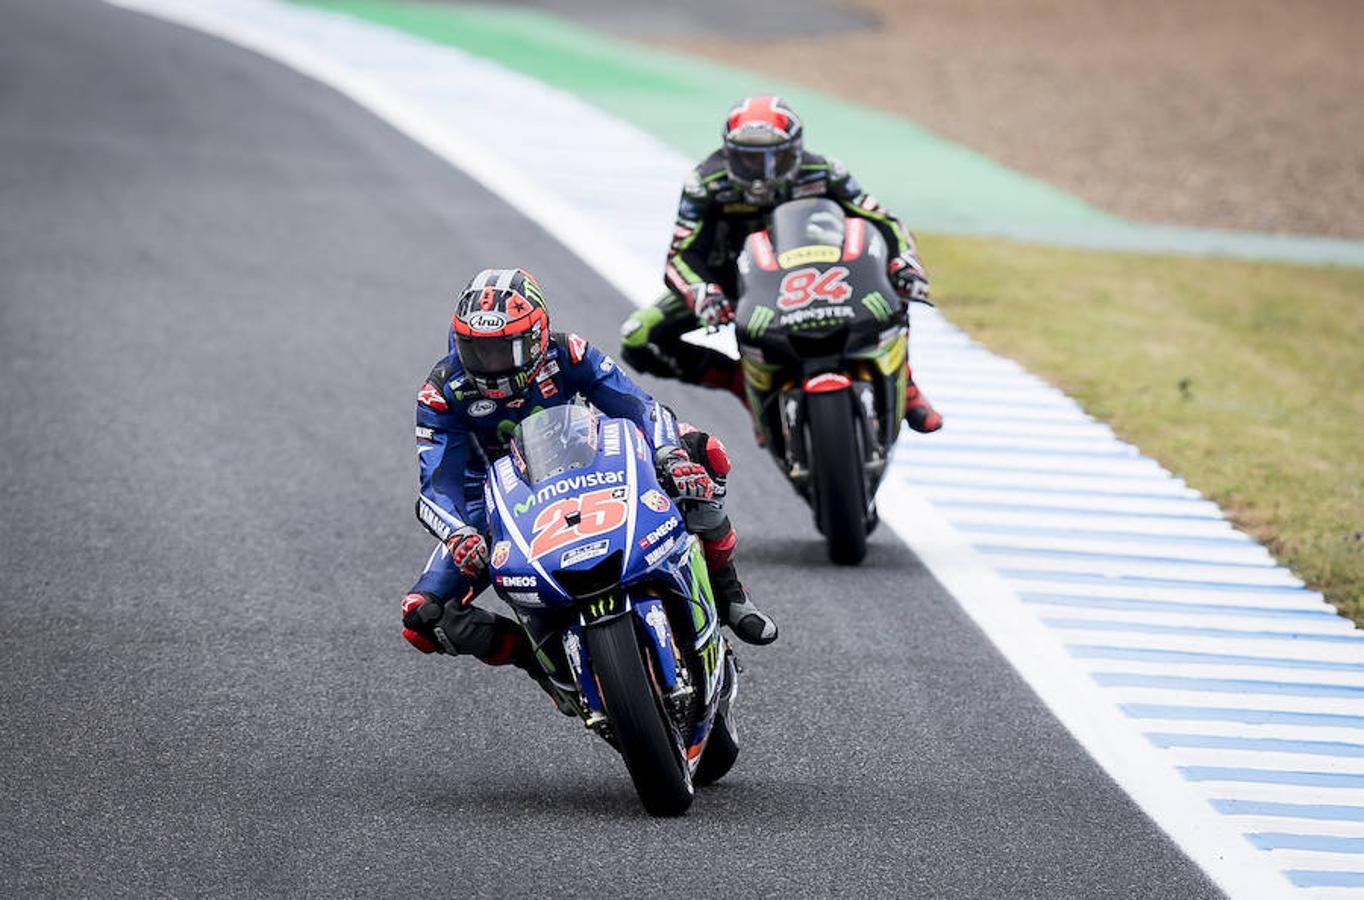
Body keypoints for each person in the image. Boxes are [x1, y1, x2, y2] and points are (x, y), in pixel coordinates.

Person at [400, 268, 778, 685]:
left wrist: (670, 455)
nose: (491, 365)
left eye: (505, 351)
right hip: (492, 506)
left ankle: (730, 596)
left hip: (591, 465)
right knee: (421, 616)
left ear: (537, 338)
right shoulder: (442, 391)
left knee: (702, 452)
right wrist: (458, 533)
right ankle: (539, 664)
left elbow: (639, 406)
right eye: (477, 351)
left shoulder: (569, 353)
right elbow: (437, 485)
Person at [620, 94, 942, 433]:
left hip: (822, 271)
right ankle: (741, 383)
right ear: (729, 153)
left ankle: (905, 382)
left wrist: (905, 263)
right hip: (733, 282)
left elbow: (883, 221)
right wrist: (704, 292)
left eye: (776, 158)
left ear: (797, 149)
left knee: (894, 286)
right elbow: (680, 255)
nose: (763, 174)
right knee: (639, 337)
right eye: (749, 160)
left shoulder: (824, 170)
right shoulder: (705, 184)